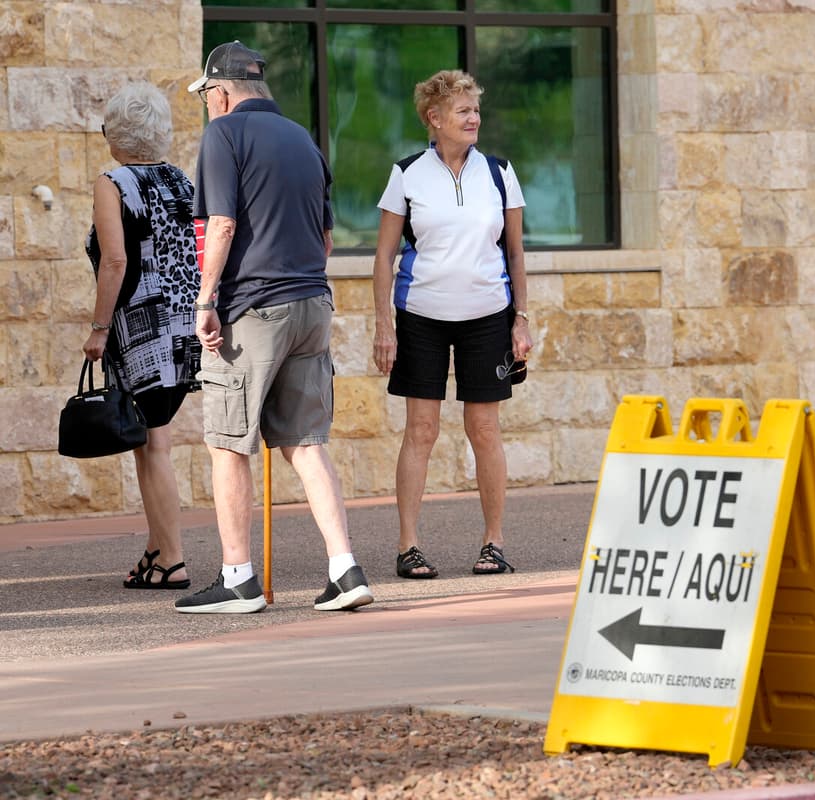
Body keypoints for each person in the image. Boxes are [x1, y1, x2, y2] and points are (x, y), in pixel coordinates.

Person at [175, 41, 373, 614]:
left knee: (227, 443)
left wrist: (205, 300)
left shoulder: (224, 134)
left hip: (253, 307)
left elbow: (221, 223)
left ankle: (238, 578)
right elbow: (327, 236)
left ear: (222, 90)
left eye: (207, 95)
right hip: (311, 303)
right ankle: (345, 569)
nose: (207, 105)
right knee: (305, 444)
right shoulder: (301, 138)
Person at [371, 69, 533, 580]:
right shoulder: (407, 173)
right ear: (433, 118)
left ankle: (494, 542)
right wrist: (383, 326)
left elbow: (515, 252)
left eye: (476, 110)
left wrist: (521, 319)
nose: (473, 118)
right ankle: (408, 546)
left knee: (484, 429)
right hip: (421, 317)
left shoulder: (500, 171)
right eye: (463, 110)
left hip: (488, 317)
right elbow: (383, 258)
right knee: (421, 429)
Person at [84, 82, 202, 591]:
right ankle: (156, 547)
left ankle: (172, 559)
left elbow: (115, 260)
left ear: (117, 133)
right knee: (155, 438)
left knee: (152, 444)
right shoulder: (181, 179)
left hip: (142, 329)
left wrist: (98, 328)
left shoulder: (113, 182)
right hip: (182, 323)